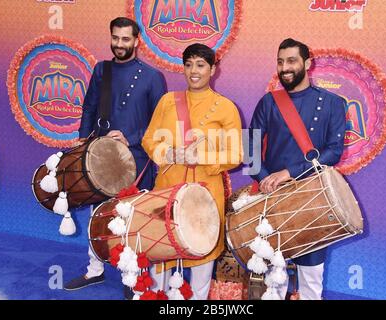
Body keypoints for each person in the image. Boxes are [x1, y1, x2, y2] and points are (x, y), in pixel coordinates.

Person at [63, 17, 166, 299]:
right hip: (99, 156)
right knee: (97, 214)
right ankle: (94, 269)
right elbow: (89, 107)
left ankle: (131, 276)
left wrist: (130, 138)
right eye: (115, 38)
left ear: (136, 41)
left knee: (129, 219)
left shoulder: (152, 77)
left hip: (135, 159)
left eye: (125, 39)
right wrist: (84, 140)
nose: (119, 44)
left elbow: (161, 123)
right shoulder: (102, 70)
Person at [141, 43, 243, 300]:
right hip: (166, 192)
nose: (193, 71)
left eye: (200, 65)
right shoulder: (167, 101)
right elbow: (149, 139)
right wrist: (167, 153)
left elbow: (236, 155)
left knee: (201, 264)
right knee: (160, 262)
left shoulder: (226, 107)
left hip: (205, 197)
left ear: (213, 69)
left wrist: (202, 157)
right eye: (188, 65)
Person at [249, 38, 346, 300]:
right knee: (274, 278)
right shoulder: (269, 102)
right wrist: (265, 180)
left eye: (291, 61)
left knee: (311, 279)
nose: (284, 67)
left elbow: (333, 151)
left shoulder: (332, 103)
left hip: (312, 201)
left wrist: (289, 173)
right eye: (280, 62)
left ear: (307, 63)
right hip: (273, 200)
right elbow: (250, 150)